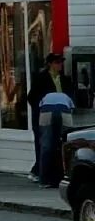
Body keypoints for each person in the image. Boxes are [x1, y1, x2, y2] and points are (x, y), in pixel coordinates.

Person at [27, 52, 75, 182]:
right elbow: (31, 97)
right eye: (57, 62)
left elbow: (71, 94)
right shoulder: (41, 78)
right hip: (46, 112)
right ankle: (41, 172)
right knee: (45, 143)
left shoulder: (64, 79)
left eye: (61, 62)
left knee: (64, 140)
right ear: (50, 64)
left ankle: (60, 171)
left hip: (63, 111)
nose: (60, 65)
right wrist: (41, 108)